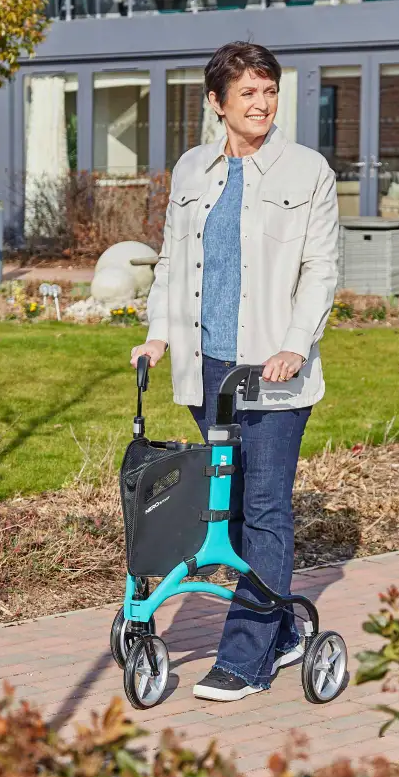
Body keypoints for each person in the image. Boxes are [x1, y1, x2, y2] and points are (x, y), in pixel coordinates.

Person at [130, 41, 338, 702]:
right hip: (206, 368)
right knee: (236, 509)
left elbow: (321, 270)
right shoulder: (192, 170)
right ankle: (280, 628)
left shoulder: (308, 172)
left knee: (268, 507)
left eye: (269, 91)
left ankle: (245, 657)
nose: (261, 103)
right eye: (247, 93)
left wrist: (296, 344)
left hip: (273, 370)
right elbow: (173, 261)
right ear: (217, 103)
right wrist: (158, 333)